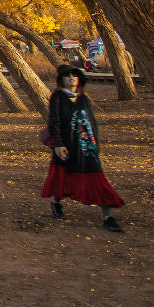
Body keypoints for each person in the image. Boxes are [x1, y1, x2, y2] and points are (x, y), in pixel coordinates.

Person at [42, 64, 125, 231]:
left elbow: (92, 122)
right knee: (62, 177)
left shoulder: (84, 99)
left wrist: (96, 145)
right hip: (66, 145)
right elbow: (54, 121)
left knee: (97, 178)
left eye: (74, 75)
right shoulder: (57, 97)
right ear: (61, 80)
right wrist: (58, 144)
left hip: (86, 146)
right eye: (67, 76)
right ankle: (55, 202)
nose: (71, 78)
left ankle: (108, 217)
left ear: (79, 79)